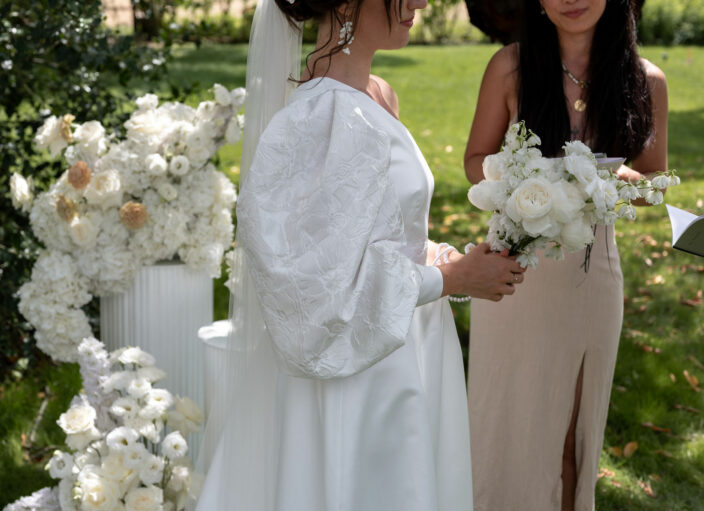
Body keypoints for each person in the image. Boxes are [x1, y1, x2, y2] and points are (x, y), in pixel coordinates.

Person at [193, 0, 526, 510]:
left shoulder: (376, 95)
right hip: (357, 366)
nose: (419, 2)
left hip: (403, 340)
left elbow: (376, 230)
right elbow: (314, 286)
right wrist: (451, 280)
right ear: (348, 2)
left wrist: (446, 257)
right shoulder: (320, 114)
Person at [462, 1, 668, 510]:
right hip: (514, 272)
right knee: (505, 432)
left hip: (591, 275)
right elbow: (474, 161)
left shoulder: (646, 79)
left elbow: (654, 184)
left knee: (570, 441)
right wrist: (532, 177)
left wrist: (616, 179)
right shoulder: (509, 66)